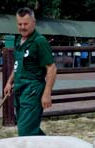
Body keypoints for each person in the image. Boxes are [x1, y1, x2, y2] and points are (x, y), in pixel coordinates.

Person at [4, 7, 56, 136]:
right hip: (20, 89)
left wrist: (47, 94)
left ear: (34, 22)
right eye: (20, 24)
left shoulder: (39, 41)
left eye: (26, 24)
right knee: (28, 127)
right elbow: (17, 65)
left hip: (33, 89)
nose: (22, 27)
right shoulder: (19, 41)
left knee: (25, 131)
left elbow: (52, 68)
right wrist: (9, 82)